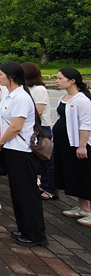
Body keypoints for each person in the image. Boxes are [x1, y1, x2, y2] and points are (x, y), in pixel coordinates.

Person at [0, 62, 47, 247]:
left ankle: (35, 234)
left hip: (22, 151)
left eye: (0, 74)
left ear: (11, 77)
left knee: (27, 193)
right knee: (17, 192)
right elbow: (4, 120)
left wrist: (0, 141)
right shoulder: (9, 95)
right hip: (11, 149)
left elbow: (16, 126)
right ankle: (24, 228)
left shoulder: (22, 97)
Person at [53, 68, 91, 227]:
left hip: (78, 144)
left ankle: (88, 210)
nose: (57, 81)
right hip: (65, 144)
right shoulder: (64, 97)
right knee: (74, 176)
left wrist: (82, 146)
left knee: (85, 176)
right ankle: (83, 208)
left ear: (72, 80)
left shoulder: (82, 100)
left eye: (60, 78)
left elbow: (86, 124)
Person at [22, 62, 58, 201]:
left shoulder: (39, 89)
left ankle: (51, 189)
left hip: (42, 128)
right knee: (40, 161)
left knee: (47, 159)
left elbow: (39, 111)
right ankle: (43, 185)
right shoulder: (27, 88)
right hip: (33, 127)